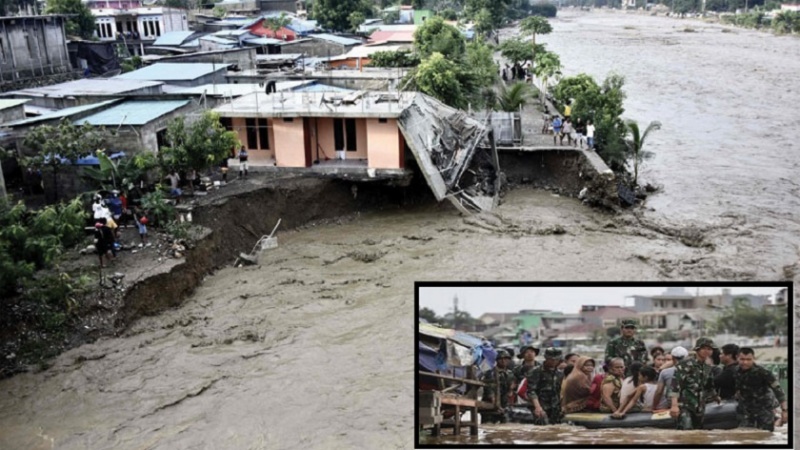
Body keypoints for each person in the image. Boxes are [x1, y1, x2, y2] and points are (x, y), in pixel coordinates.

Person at [669, 338, 719, 430]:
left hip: (700, 406)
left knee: (697, 433)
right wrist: (674, 405)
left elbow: (709, 385)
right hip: (685, 406)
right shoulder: (685, 364)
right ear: (697, 349)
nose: (707, 351)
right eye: (704, 348)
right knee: (686, 432)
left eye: (709, 349)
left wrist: (715, 396)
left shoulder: (707, 367)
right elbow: (675, 385)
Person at [734, 347, 788, 431]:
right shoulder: (736, 371)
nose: (745, 362)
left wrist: (784, 411)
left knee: (765, 435)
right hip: (745, 412)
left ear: (753, 359)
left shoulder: (763, 372)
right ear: (737, 358)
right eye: (742, 359)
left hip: (763, 412)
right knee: (744, 436)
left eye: (748, 359)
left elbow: (779, 391)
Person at [527, 347, 565, 425]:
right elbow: (531, 391)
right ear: (546, 358)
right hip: (541, 406)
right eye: (551, 359)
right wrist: (537, 407)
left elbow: (560, 391)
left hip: (555, 407)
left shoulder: (559, 373)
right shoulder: (536, 371)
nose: (554, 362)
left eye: (556, 359)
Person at [481, 350, 516, 423]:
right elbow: (489, 391)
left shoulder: (510, 374)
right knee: (488, 427)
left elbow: (511, 391)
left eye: (506, 359)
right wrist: (496, 405)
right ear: (497, 360)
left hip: (504, 405)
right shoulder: (490, 373)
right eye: (501, 359)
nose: (503, 361)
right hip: (490, 406)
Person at [652, 346, 687, 410]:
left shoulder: (665, 372)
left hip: (672, 406)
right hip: (690, 404)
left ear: (673, 358)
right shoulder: (695, 370)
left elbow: (659, 392)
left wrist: (654, 407)